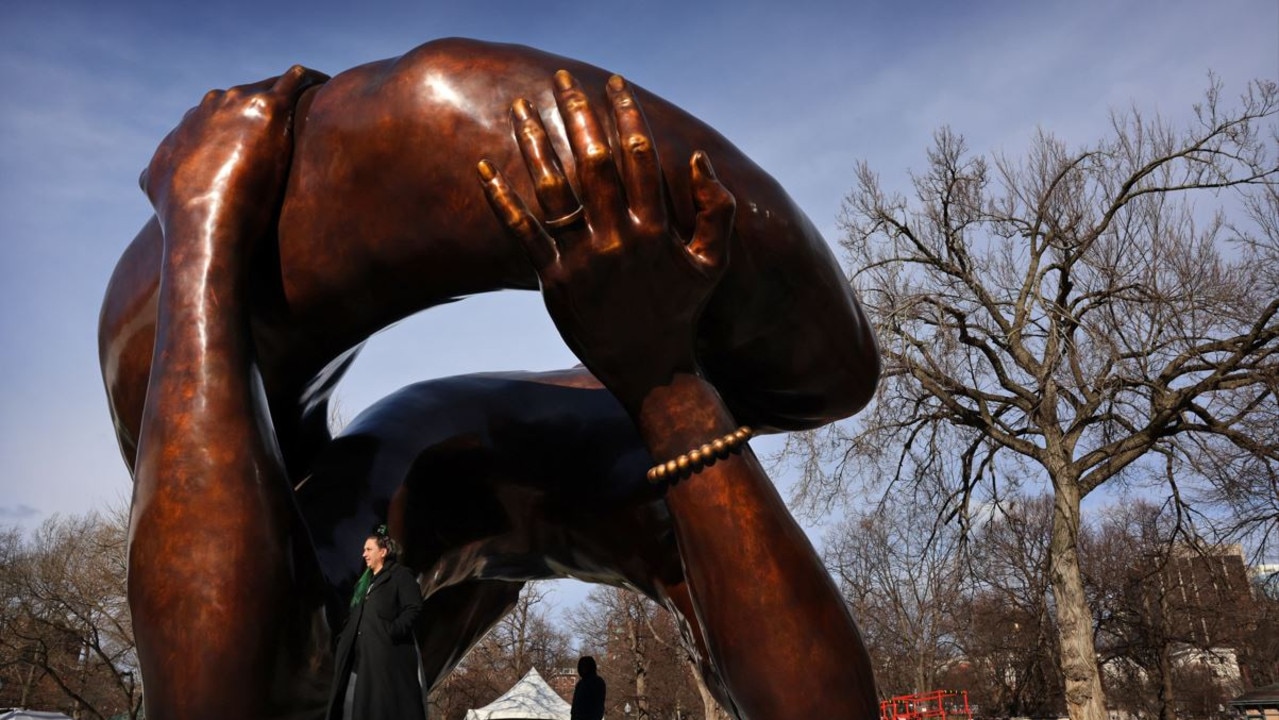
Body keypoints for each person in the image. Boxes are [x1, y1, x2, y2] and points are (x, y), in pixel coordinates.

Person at [109, 46, 881, 720]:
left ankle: (211, 250)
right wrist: (665, 385)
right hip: (455, 490)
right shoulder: (645, 508)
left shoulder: (376, 514)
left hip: (414, 485)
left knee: (258, 662)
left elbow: (216, 701)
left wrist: (201, 227)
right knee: (833, 379)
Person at [327, 528, 425, 720]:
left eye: (368, 549)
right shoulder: (367, 583)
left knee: (382, 708)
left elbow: (414, 607)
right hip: (360, 659)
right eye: (364, 550)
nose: (364, 554)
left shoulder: (400, 576)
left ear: (383, 552)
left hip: (384, 657)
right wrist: (344, 638)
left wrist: (392, 631)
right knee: (357, 709)